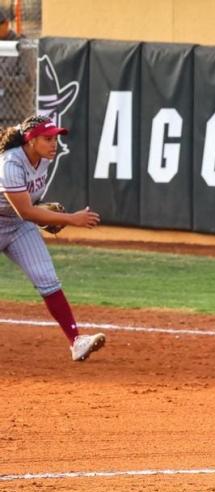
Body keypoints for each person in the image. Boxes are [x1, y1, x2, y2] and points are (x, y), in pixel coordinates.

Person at [0, 115, 105, 361]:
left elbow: (28, 208)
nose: (53, 144)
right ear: (31, 140)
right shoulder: (10, 164)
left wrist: (45, 213)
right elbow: (25, 210)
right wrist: (70, 219)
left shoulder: (43, 160)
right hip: (16, 217)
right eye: (47, 139)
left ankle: (77, 342)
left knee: (47, 279)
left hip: (17, 226)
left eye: (55, 138)